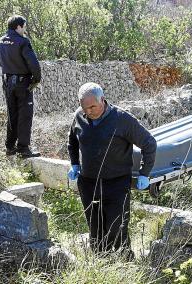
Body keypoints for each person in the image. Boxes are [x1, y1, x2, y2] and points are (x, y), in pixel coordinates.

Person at [67, 82, 157, 256]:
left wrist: (144, 173)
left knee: (117, 225)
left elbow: (149, 142)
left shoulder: (122, 119)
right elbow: (72, 141)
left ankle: (124, 259)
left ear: (103, 100)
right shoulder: (79, 116)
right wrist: (75, 163)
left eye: (92, 106)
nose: (89, 111)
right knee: (95, 226)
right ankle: (101, 259)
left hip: (116, 183)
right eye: (84, 107)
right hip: (88, 183)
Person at [0, 15, 41, 158]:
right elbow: (33, 64)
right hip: (23, 83)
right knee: (25, 115)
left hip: (8, 83)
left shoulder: (1, 41)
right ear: (18, 27)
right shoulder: (23, 42)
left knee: (12, 114)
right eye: (24, 26)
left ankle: (9, 147)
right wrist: (36, 79)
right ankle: (23, 148)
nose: (24, 29)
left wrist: (11, 70)